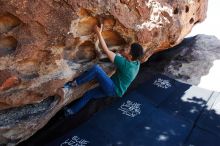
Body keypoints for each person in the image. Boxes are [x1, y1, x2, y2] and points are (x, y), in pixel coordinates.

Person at [57, 24, 144, 116]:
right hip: (117, 91)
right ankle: (69, 112)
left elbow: (106, 50)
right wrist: (122, 55)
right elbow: (124, 58)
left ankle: (71, 85)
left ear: (130, 56)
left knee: (96, 69)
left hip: (113, 88)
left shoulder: (126, 65)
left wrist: (98, 33)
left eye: (128, 49)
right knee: (89, 95)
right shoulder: (136, 63)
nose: (126, 48)